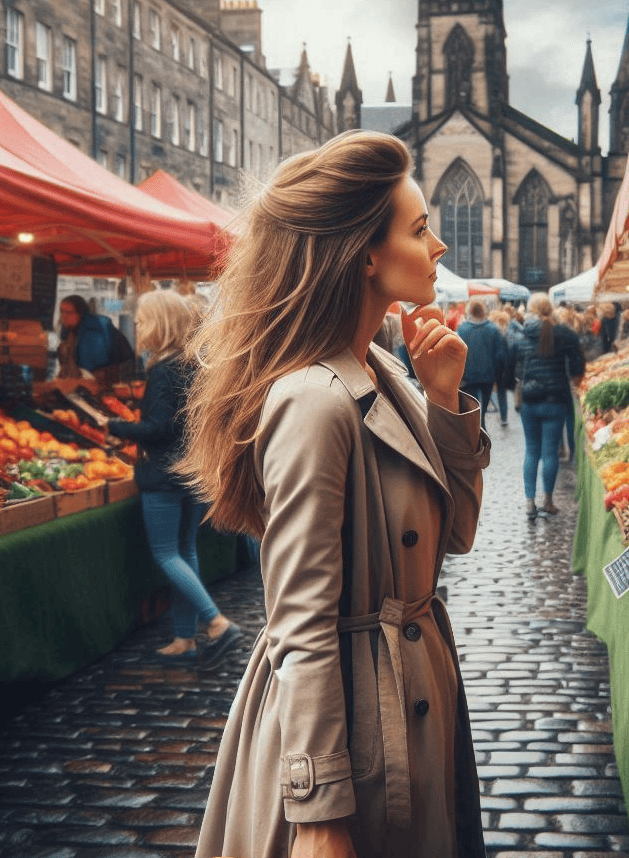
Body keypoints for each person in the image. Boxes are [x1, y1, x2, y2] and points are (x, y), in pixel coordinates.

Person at [177, 131, 490, 858]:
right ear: (367, 254)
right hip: (351, 728)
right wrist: (318, 813)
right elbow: (301, 622)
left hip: (417, 696)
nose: (438, 245)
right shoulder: (315, 400)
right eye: (418, 229)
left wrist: (443, 397)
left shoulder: (384, 369)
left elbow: (457, 534)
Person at [99, 290, 241, 667]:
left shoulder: (164, 370)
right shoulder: (192, 364)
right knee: (186, 551)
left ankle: (217, 623)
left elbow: (160, 428)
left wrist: (116, 426)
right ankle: (184, 639)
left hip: (163, 475)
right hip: (189, 470)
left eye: (143, 320)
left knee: (167, 555)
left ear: (160, 324)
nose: (139, 326)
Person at [507, 293, 585, 520]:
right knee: (550, 452)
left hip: (530, 402)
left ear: (531, 310)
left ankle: (530, 502)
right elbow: (578, 361)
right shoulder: (564, 333)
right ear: (551, 309)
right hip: (556, 400)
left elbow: (513, 369)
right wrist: (574, 380)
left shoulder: (522, 335)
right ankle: (548, 501)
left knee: (531, 451)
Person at [56, 294, 135, 382]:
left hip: (117, 381)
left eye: (69, 313)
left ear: (80, 314)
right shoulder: (70, 333)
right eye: (62, 312)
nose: (64, 317)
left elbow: (93, 372)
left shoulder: (94, 330)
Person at [456, 298, 506, 429]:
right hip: (488, 376)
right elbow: (500, 355)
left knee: (473, 408)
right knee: (482, 408)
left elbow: (457, 354)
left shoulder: (462, 329)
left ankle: (478, 431)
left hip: (468, 376)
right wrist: (498, 375)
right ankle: (481, 427)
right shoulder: (493, 329)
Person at [491, 310, 515, 427]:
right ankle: (504, 417)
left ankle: (498, 414)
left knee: (495, 392)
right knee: (502, 393)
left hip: (494, 366)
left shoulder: (493, 331)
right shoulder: (510, 332)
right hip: (506, 367)